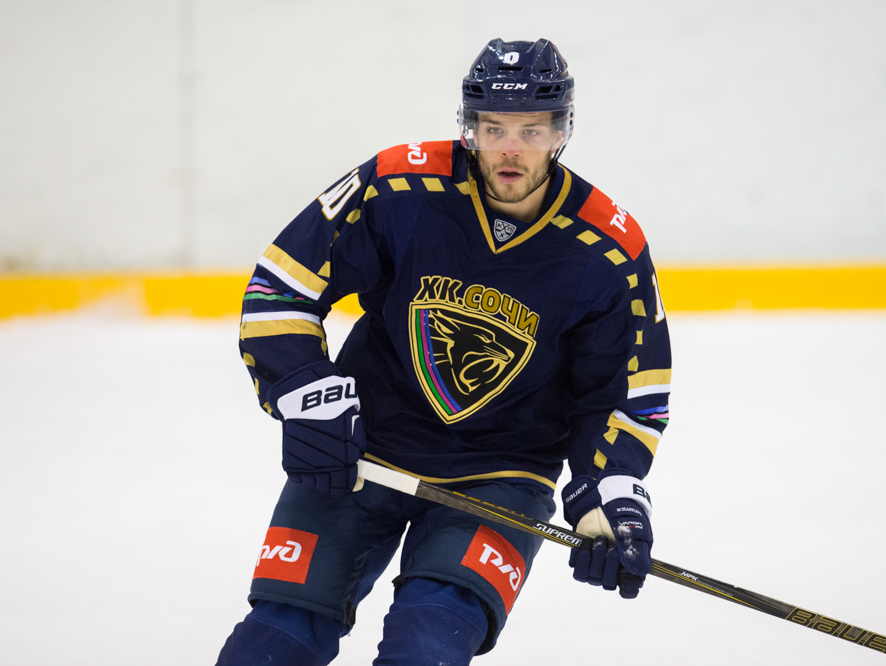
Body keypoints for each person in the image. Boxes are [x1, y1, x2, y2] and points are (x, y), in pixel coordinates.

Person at [217, 37, 672, 666]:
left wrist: (609, 488)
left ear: (561, 132)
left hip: (502, 475)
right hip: (362, 448)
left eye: (531, 130)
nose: (510, 149)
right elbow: (282, 288)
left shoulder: (608, 248)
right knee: (274, 639)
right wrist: (305, 392)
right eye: (494, 128)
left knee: (427, 646)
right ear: (470, 127)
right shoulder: (398, 186)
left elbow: (629, 391)